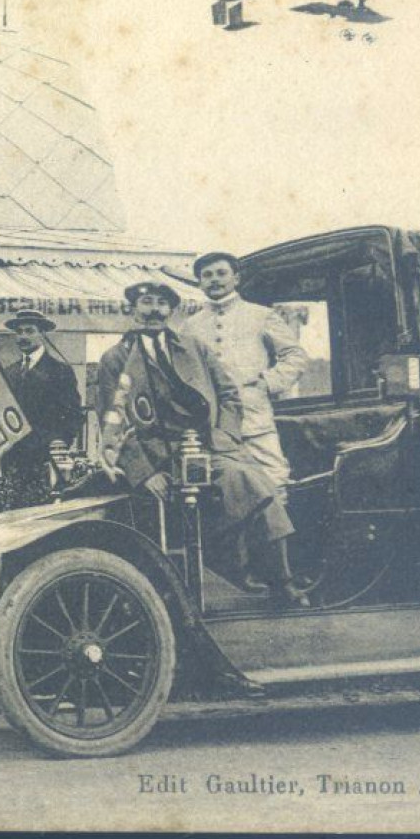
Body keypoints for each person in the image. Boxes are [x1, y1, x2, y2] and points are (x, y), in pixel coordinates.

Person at [97, 281, 309, 607]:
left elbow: (228, 395)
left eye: (161, 304)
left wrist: (223, 438)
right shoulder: (116, 358)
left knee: (258, 486)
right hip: (157, 458)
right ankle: (199, 585)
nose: (154, 310)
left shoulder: (194, 347)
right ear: (133, 309)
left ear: (171, 311)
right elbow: (112, 419)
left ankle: (281, 581)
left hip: (206, 448)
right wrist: (143, 472)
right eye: (147, 303)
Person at [182, 252, 307, 489]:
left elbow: (295, 356)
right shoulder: (190, 326)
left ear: (236, 278)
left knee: (274, 481)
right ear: (199, 282)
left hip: (254, 419)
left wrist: (268, 383)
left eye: (221, 273)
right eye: (207, 275)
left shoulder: (261, 315)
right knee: (220, 486)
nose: (214, 280)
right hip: (212, 424)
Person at [0, 308, 83, 491]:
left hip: (44, 457)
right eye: (19, 332)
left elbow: (73, 416)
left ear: (42, 333)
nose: (23, 337)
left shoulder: (60, 371)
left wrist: (57, 444)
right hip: (12, 458)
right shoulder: (9, 372)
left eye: (30, 331)